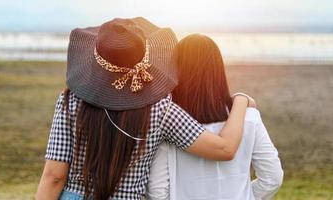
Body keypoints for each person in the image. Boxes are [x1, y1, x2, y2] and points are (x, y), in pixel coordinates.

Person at [35, 18, 254, 200]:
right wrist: (241, 100)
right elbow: (224, 149)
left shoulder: (71, 100)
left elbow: (54, 176)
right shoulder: (161, 108)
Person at [147, 34, 284, 200]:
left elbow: (157, 191)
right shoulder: (249, 118)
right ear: (219, 69)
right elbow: (272, 178)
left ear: (177, 69)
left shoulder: (170, 121)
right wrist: (245, 195)